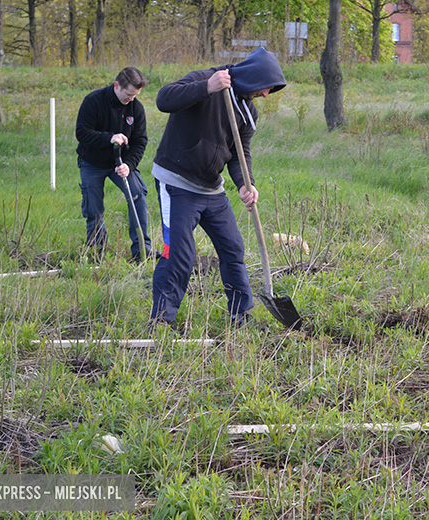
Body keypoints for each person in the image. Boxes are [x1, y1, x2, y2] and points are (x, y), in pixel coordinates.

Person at [149, 47, 286, 330]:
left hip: (212, 189)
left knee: (233, 248)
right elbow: (163, 99)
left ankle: (241, 315)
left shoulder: (248, 110)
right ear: (252, 77)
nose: (264, 94)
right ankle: (162, 320)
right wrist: (206, 88)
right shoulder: (206, 79)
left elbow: (239, 152)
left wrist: (245, 184)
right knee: (179, 253)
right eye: (264, 88)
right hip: (177, 182)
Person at [75, 66, 156, 262]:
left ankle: (141, 252)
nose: (132, 99)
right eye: (128, 94)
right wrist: (109, 138)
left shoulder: (136, 108)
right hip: (92, 163)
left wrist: (129, 164)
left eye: (135, 95)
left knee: (138, 196)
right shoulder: (93, 101)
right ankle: (97, 252)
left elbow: (140, 141)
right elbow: (82, 133)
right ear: (117, 86)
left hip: (121, 164)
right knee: (94, 208)